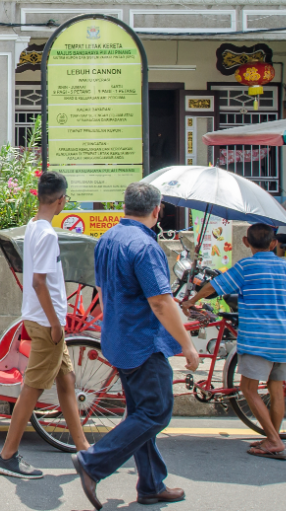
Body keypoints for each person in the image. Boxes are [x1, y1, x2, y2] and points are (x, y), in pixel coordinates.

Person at [72, 182, 199, 509]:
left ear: (125, 206)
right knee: (156, 413)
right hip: (143, 343)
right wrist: (187, 345)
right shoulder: (145, 245)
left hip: (118, 339)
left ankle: (151, 485)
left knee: (142, 414)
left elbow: (103, 290)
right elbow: (160, 301)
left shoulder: (107, 239)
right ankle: (92, 462)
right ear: (157, 210)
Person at [0, 171, 89, 479]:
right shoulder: (47, 234)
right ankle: (7, 456)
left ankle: (84, 449)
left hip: (41, 319)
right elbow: (39, 283)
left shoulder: (34, 226)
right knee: (32, 389)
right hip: (47, 322)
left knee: (66, 380)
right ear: (61, 200)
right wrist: (55, 324)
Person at [180, 223, 286, 460]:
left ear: (246, 242)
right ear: (274, 243)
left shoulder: (246, 266)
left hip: (258, 337)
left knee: (248, 389)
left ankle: (273, 441)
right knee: (276, 389)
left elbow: (214, 287)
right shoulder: (285, 266)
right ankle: (273, 438)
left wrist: (191, 301)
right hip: (283, 336)